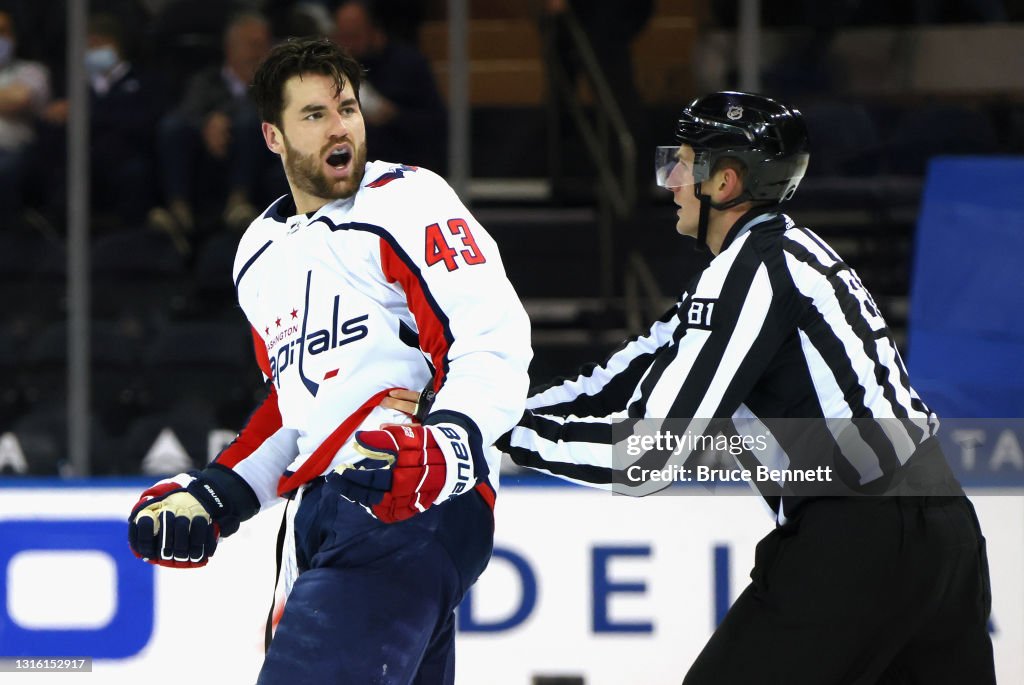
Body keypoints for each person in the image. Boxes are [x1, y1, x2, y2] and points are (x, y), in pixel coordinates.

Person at [389, 91, 996, 684]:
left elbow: (650, 454)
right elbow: (617, 379)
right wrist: (472, 408)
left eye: (682, 163)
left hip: (861, 536)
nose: (671, 180)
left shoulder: (748, 273)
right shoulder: (790, 255)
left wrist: (480, 433)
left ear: (725, 183)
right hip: (947, 536)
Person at [126, 36, 531, 683]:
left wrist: (448, 443)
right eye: (314, 114)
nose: (339, 124)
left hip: (405, 510)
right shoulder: (258, 253)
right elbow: (294, 407)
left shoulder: (408, 201)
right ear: (273, 136)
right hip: (319, 521)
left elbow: (490, 341)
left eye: (347, 106)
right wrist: (214, 494)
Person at [150, 11, 279, 238]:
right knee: (172, 127)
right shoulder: (205, 80)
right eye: (253, 45)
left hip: (256, 150)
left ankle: (238, 202)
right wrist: (207, 124)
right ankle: (179, 208)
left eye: (264, 45)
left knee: (250, 122)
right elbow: (188, 111)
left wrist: (222, 117)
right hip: (205, 150)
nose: (260, 53)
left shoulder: (274, 84)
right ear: (230, 49)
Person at [40, 13, 160, 230]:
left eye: (97, 43)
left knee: (135, 173)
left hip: (125, 155)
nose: (91, 51)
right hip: (85, 157)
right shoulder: (75, 85)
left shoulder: (142, 81)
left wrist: (87, 113)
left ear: (115, 45)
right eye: (87, 45)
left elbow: (141, 121)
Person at [333, 0, 447, 172]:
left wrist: (393, 115)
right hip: (353, 169)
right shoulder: (338, 69)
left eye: (354, 36)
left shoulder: (409, 65)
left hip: (404, 165)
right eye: (343, 37)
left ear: (374, 30)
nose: (347, 45)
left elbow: (436, 126)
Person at [0, 7, 49, 226]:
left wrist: (10, 99)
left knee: (6, 170)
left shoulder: (31, 71)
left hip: (16, 151)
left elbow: (18, 101)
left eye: (2, 32)